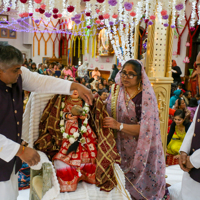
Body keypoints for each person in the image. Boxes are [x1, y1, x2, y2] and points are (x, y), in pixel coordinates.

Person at [0, 44, 93, 200]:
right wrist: (20, 150)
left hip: (9, 163)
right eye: (16, 70)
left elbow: (41, 82)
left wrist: (73, 86)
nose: (20, 72)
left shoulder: (18, 75)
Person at [104, 59, 166, 199]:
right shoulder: (116, 90)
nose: (125, 77)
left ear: (140, 78)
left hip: (139, 148)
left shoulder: (145, 98)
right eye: (124, 72)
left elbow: (146, 129)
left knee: (140, 186)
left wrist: (118, 125)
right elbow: (109, 109)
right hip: (118, 145)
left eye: (131, 74)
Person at [179, 52, 200, 200]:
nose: (196, 73)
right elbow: (194, 126)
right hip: (192, 173)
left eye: (198, 66)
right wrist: (183, 152)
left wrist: (193, 161)